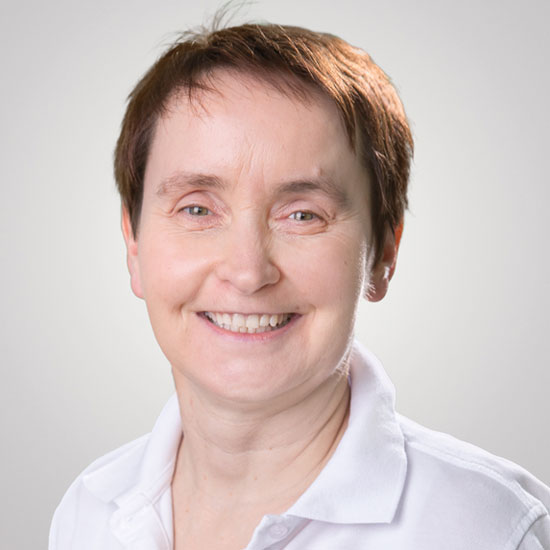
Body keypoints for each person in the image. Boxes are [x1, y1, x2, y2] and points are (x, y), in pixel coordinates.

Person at [49, 19, 550, 550]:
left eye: (303, 215)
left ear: (383, 252)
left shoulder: (487, 530)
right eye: (196, 209)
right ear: (133, 244)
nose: (247, 272)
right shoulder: (88, 513)